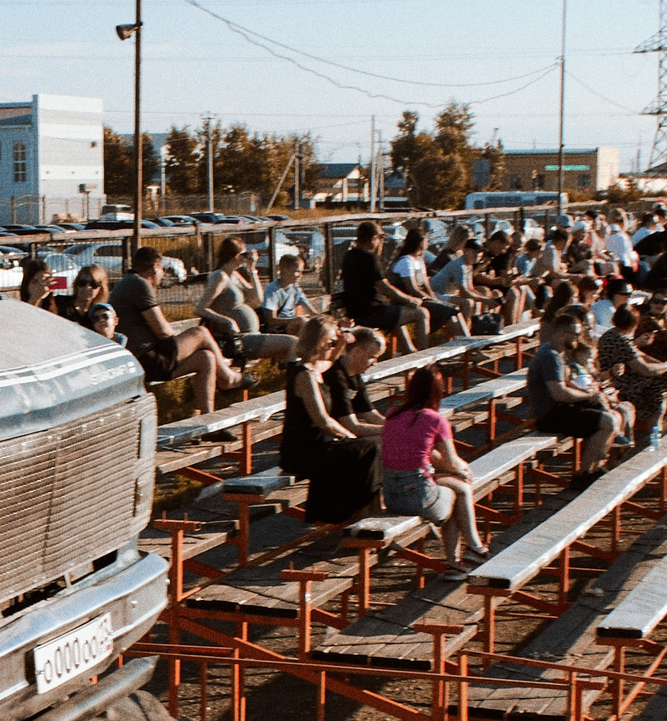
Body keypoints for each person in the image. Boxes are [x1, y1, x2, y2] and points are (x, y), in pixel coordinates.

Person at [377, 366, 487, 573]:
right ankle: (471, 549)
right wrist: (463, 469)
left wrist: (457, 469)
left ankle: (463, 559)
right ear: (438, 391)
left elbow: (429, 455)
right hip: (417, 494)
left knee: (457, 487)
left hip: (392, 493)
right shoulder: (436, 420)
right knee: (458, 493)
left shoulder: (392, 413)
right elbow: (451, 460)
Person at [112, 245, 240, 415]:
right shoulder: (139, 284)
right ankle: (228, 377)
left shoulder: (129, 282)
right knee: (200, 333)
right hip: (146, 359)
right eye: (162, 269)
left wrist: (182, 343)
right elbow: (163, 331)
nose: (163, 274)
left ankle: (208, 419)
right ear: (155, 267)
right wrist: (185, 342)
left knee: (206, 358)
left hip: (145, 359)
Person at [281, 319, 380, 526]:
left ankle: (364, 513)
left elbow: (333, 360)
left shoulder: (318, 368)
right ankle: (353, 515)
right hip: (302, 451)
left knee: (370, 449)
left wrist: (343, 340)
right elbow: (323, 421)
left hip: (318, 445)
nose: (334, 347)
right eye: (331, 343)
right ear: (320, 343)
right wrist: (351, 436)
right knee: (365, 448)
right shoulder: (304, 375)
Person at [523, 312, 619, 468]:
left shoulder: (557, 352)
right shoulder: (550, 356)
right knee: (608, 422)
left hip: (559, 411)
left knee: (614, 413)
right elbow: (559, 393)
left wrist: (591, 393)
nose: (578, 338)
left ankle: (597, 466)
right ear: (562, 334)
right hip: (549, 416)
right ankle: (585, 473)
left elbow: (567, 384)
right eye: (575, 334)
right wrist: (587, 395)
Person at [598, 303, 667, 443]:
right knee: (664, 380)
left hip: (623, 381)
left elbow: (639, 354)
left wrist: (663, 365)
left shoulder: (612, 335)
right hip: (619, 385)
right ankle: (662, 426)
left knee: (664, 380)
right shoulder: (620, 340)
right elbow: (644, 369)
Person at [199, 237, 293, 360]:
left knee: (289, 347)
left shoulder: (233, 275)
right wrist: (228, 321)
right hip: (238, 338)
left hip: (250, 334)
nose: (246, 257)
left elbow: (257, 297)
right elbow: (201, 308)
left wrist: (252, 270)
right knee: (292, 343)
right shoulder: (220, 277)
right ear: (235, 255)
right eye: (244, 254)